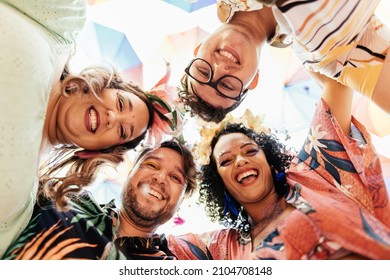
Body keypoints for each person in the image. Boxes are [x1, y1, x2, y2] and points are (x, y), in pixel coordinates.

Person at [0, 0, 181, 258]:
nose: (112, 117)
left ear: (95, 152)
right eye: (120, 103)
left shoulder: (18, 205)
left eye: (122, 131)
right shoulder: (61, 23)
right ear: (104, 84)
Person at [193, 72, 390, 259]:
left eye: (250, 151)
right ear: (219, 183)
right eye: (226, 161)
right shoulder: (222, 250)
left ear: (269, 161)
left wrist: (286, 37)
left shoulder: (313, 171)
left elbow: (335, 82)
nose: (241, 161)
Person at [178, 0, 390, 123]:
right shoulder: (325, 55)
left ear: (198, 49)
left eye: (203, 72)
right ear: (253, 81)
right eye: (227, 85)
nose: (219, 69)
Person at [2, 139, 203, 260]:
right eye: (151, 165)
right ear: (130, 174)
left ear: (180, 204)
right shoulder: (64, 199)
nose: (160, 178)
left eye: (175, 177)